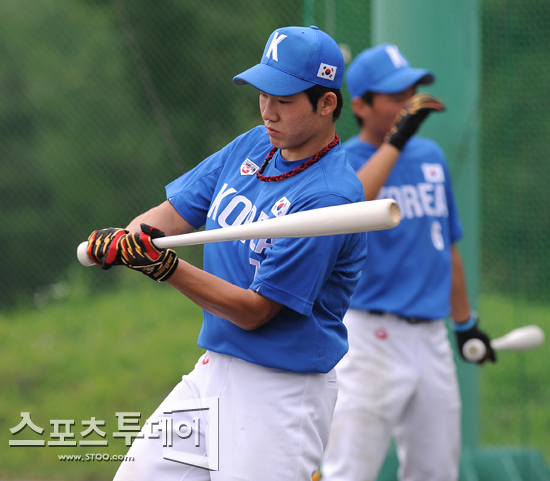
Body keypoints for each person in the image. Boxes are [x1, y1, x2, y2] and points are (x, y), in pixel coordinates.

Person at [86, 26, 367, 481]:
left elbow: (256, 311)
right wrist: (129, 239)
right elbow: (170, 217)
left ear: (328, 103)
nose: (268, 112)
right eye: (263, 94)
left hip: (282, 393)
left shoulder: (330, 198)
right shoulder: (254, 144)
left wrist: (166, 269)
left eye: (285, 99)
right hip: (214, 370)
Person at [319, 44, 496, 481]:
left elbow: (446, 245)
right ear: (360, 105)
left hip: (432, 338)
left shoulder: (431, 157)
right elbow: (353, 206)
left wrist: (464, 323)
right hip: (370, 338)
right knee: (349, 470)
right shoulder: (344, 162)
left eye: (413, 91)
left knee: (437, 471)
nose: (410, 103)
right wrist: (397, 139)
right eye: (396, 95)